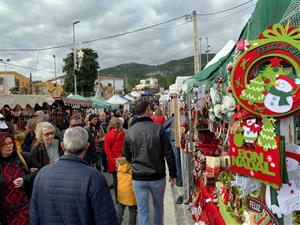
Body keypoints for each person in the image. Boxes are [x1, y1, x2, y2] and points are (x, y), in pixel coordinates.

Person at [30, 126, 119, 225]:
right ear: (87, 146)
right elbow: (107, 219)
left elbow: (34, 216)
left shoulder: (42, 174)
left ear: (62, 146)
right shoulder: (94, 177)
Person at [123, 100, 177, 225]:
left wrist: (134, 162)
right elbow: (168, 153)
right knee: (158, 206)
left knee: (143, 211)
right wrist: (173, 174)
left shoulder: (130, 131)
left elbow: (126, 154)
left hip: (139, 176)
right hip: (157, 175)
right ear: (147, 110)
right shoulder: (158, 129)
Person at [0, 132, 40, 225]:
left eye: (10, 143)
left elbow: (41, 171)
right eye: (4, 144)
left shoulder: (24, 157)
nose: (8, 146)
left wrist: (25, 179)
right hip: (7, 212)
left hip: (26, 207)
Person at [104, 117, 125, 201]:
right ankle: (125, 196)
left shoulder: (108, 135)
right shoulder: (124, 133)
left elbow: (107, 149)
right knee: (123, 179)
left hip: (113, 161)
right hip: (122, 160)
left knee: (115, 180)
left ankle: (117, 198)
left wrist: (113, 160)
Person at [116, 157, 137, 225]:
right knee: (132, 211)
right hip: (131, 193)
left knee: (120, 207)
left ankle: (117, 221)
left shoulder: (119, 165)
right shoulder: (133, 165)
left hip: (121, 191)